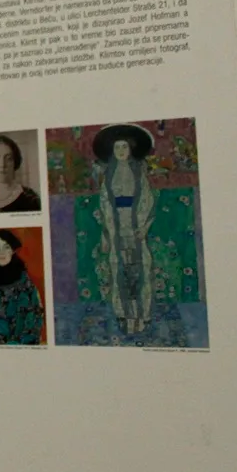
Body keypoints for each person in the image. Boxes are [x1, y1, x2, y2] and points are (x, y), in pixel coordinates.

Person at [93, 123, 156, 335]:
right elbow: (104, 205)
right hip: (115, 225)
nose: (121, 151)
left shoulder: (139, 173)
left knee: (141, 269)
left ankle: (142, 315)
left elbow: (148, 201)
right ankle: (123, 314)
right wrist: (106, 233)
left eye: (124, 147)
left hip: (135, 224)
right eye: (117, 147)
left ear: (130, 149)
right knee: (118, 269)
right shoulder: (108, 175)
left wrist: (144, 226)